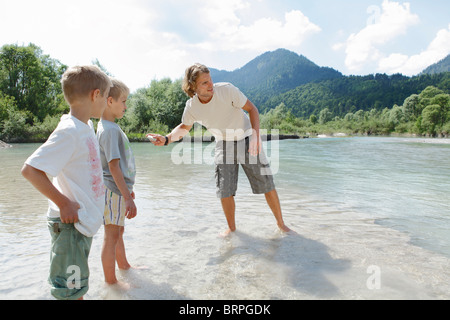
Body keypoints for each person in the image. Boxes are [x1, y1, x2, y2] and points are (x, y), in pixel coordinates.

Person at [148, 63, 291, 236]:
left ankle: (281, 224)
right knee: (224, 190)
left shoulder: (226, 90)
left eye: (210, 80)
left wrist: (255, 136)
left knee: (266, 184)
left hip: (246, 137)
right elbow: (184, 127)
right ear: (193, 87)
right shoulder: (192, 106)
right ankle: (232, 229)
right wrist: (167, 139)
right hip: (223, 143)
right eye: (204, 83)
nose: (211, 86)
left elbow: (252, 109)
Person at [21, 65, 112, 300]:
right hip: (70, 225)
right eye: (106, 95)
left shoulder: (85, 125)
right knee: (70, 290)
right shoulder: (69, 131)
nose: (107, 102)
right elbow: (30, 170)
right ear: (95, 95)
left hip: (80, 225)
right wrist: (63, 203)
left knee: (76, 285)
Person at [96, 78, 137, 287]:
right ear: (109, 101)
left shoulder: (108, 126)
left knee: (118, 231)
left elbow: (118, 167)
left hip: (117, 190)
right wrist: (127, 197)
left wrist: (128, 190)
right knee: (111, 235)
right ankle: (111, 282)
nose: (126, 106)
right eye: (123, 101)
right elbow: (113, 167)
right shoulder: (110, 130)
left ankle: (124, 267)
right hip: (113, 191)